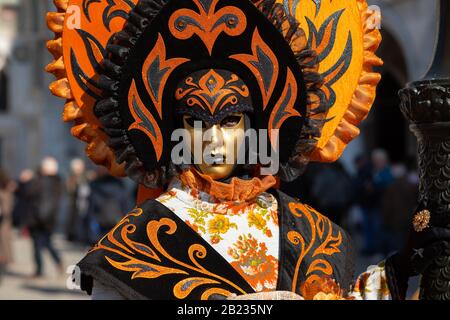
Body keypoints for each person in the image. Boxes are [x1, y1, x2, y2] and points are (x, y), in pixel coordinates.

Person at [46, 0, 450, 300]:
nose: (214, 141)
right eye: (196, 122)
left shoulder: (310, 232)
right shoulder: (134, 245)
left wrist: (402, 265)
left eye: (230, 121)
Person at [25, 157, 64, 278]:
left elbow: (30, 193)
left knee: (39, 244)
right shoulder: (57, 181)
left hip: (39, 218)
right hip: (48, 218)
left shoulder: (42, 181)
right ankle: (57, 261)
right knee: (47, 243)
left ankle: (40, 270)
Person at [85, 166, 131, 245]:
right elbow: (125, 206)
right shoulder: (119, 185)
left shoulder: (95, 185)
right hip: (116, 222)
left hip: (99, 223)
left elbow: (91, 209)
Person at [65, 158, 90, 243]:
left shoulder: (86, 176)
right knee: (73, 220)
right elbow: (69, 190)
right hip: (74, 203)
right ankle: (73, 236)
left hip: (84, 203)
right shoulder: (71, 178)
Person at [0, 168, 15, 281]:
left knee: (3, 249)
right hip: (5, 224)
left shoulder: (6, 190)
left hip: (3, 223)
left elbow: (6, 209)